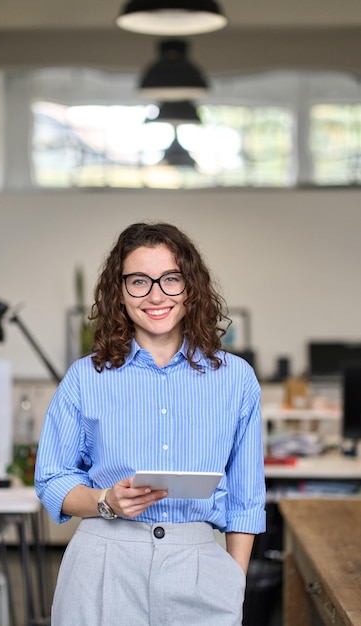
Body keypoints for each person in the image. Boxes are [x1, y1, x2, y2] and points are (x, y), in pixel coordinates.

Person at [35, 222, 266, 626]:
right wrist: (105, 500)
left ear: (190, 288)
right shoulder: (85, 377)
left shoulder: (236, 378)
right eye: (139, 281)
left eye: (170, 279)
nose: (156, 295)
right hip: (102, 563)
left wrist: (233, 581)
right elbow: (52, 479)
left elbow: (246, 500)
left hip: (199, 565)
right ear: (119, 292)